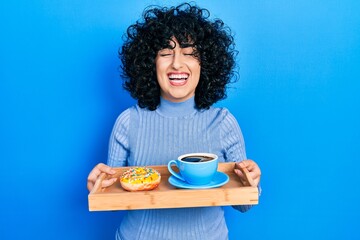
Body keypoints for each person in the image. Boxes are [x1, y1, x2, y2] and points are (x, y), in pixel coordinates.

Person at [87, 3, 261, 240]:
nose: (177, 63)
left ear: (206, 64)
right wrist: (99, 188)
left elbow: (244, 205)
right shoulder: (128, 122)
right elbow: (116, 200)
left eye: (189, 53)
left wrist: (252, 183)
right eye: (166, 53)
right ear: (150, 63)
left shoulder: (223, 122)